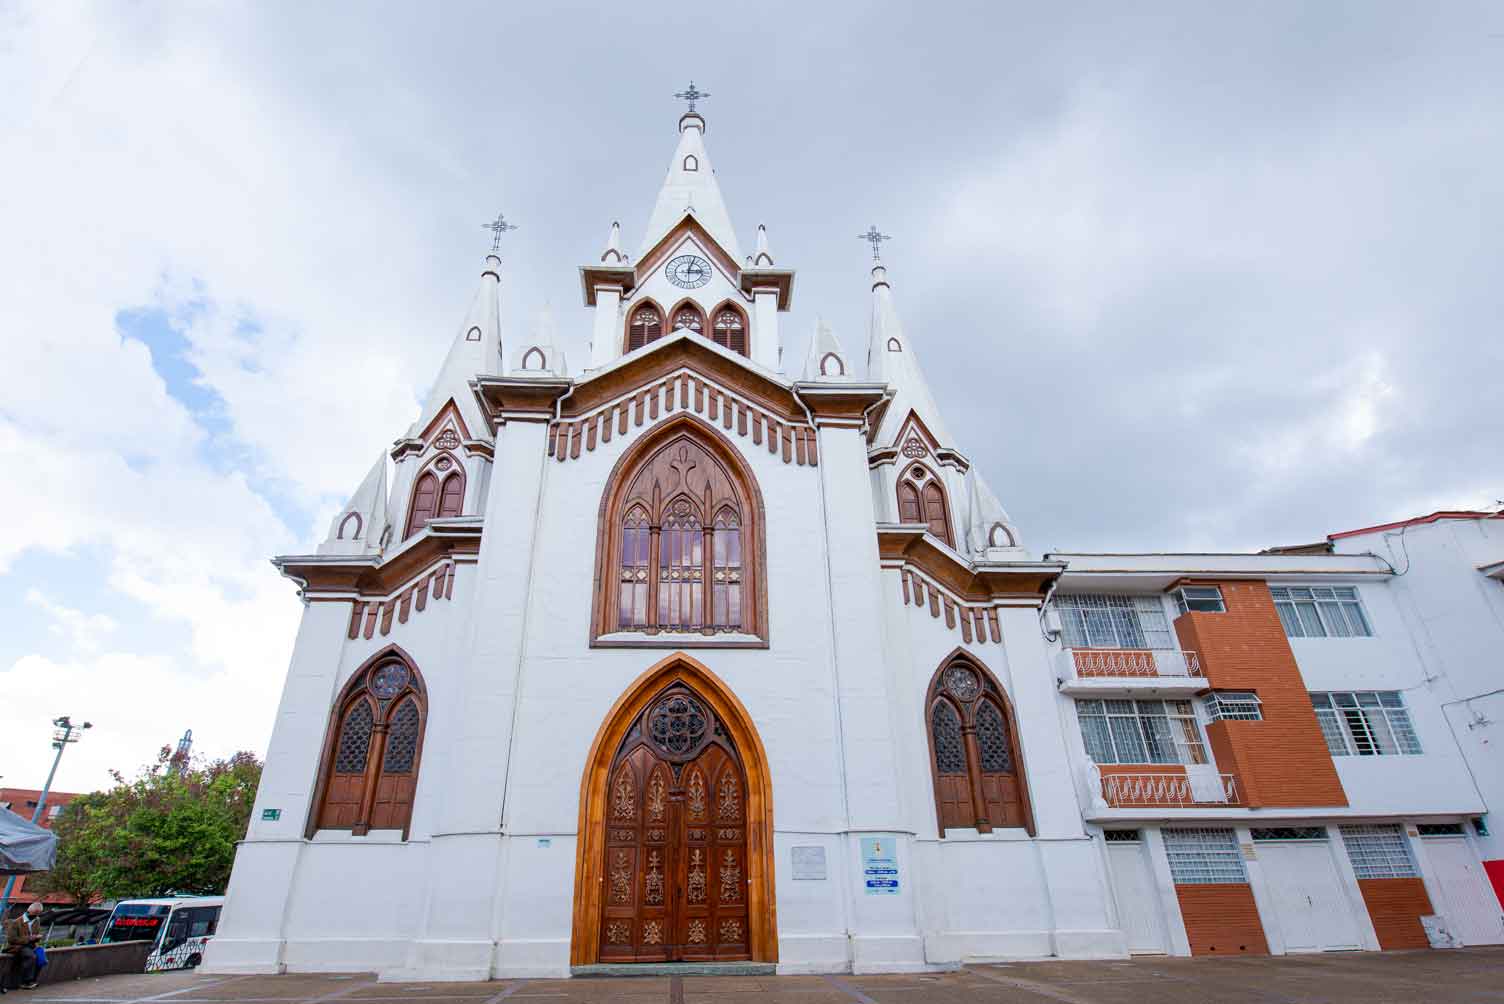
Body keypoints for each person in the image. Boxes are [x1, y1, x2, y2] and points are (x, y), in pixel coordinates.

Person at [2, 903, 44, 991]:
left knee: (42, 959)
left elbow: (36, 934)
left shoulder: (37, 920)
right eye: (34, 914)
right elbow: (12, 939)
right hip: (17, 946)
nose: (36, 916)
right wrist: (29, 938)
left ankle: (33, 979)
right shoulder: (16, 922)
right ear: (29, 912)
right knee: (31, 956)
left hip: (31, 945)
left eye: (38, 914)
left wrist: (37, 937)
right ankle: (25, 982)